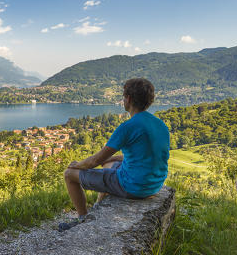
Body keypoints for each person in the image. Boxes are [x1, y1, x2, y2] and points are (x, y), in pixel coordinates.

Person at [59, 78, 170, 231]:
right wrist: (111, 159)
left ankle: (83, 219)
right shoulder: (160, 125)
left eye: (124, 97)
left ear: (128, 99)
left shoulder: (127, 127)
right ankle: (99, 207)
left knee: (69, 175)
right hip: (154, 185)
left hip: (133, 187)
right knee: (109, 164)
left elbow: (94, 161)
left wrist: (76, 165)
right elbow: (142, 157)